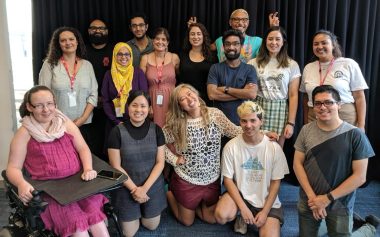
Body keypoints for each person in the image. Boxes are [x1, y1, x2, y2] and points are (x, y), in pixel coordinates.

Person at [6, 85, 109, 237]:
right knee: (79, 231)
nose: (46, 109)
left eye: (49, 104)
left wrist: (87, 169)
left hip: (77, 185)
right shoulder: (24, 133)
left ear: (55, 103)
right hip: (51, 192)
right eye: (39, 105)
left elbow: (83, 149)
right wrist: (21, 184)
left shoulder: (66, 123)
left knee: (98, 224)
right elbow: (13, 168)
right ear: (29, 107)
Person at [293, 85, 378, 236]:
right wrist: (313, 198)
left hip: (340, 203)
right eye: (318, 103)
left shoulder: (355, 135)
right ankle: (342, 222)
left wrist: (326, 199)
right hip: (309, 201)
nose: (322, 107)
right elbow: (297, 164)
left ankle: (369, 227)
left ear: (339, 105)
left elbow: (360, 177)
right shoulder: (306, 130)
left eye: (328, 102)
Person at [163, 84, 242, 226]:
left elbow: (235, 131)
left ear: (196, 93)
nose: (189, 99)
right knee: (187, 222)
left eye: (189, 93)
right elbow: (158, 141)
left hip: (211, 179)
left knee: (212, 219)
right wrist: (174, 159)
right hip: (187, 179)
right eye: (182, 98)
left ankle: (195, 205)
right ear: (180, 106)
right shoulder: (176, 124)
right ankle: (171, 194)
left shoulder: (215, 115)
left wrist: (262, 133)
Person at [214, 101, 289, 236]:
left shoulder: (274, 148)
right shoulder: (231, 146)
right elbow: (228, 180)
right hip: (241, 196)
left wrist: (265, 212)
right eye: (244, 121)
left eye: (253, 120)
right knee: (221, 215)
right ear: (240, 122)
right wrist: (243, 208)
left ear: (261, 121)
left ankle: (258, 216)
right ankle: (240, 215)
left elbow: (276, 183)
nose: (248, 125)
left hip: (266, 200)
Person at [107, 90, 166, 237]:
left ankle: (145, 209)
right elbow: (115, 166)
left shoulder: (157, 130)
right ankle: (134, 210)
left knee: (151, 225)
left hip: (151, 186)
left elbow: (160, 163)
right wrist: (135, 190)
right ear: (128, 107)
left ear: (149, 109)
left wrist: (144, 189)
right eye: (134, 105)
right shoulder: (116, 131)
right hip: (126, 187)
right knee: (129, 233)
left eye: (143, 106)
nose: (138, 110)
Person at [39, 27, 98, 145]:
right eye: (63, 40)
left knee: (84, 160)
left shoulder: (87, 65)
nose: (68, 43)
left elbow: (93, 94)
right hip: (57, 125)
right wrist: (59, 120)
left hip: (84, 125)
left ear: (77, 42)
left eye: (71, 39)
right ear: (58, 44)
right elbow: (43, 96)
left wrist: (82, 120)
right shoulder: (49, 64)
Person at [300, 30, 369, 131]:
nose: (319, 46)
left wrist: (361, 125)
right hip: (315, 116)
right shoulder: (308, 68)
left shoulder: (348, 64)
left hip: (344, 116)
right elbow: (305, 97)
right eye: (316, 44)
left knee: (344, 147)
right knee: (316, 146)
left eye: (324, 43)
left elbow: (359, 97)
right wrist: (306, 122)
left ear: (333, 45)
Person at [248, 26, 300, 147]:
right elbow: (249, 90)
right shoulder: (253, 63)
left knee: (276, 150)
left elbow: (293, 95)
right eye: (270, 39)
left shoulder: (292, 65)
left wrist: (291, 123)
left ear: (283, 42)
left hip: (280, 109)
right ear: (265, 41)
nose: (274, 42)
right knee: (256, 147)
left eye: (277, 39)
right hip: (258, 107)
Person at [101, 42, 148, 151]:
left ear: (131, 56)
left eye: (127, 54)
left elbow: (144, 98)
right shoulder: (108, 75)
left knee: (133, 153)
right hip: (114, 122)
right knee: (115, 154)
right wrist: (116, 121)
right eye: (120, 54)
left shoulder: (138, 73)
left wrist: (135, 120)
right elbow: (106, 100)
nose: (123, 57)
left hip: (136, 121)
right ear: (114, 55)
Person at [207, 29, 257, 125]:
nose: (231, 47)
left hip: (243, 123)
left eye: (235, 44)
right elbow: (212, 95)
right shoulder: (215, 68)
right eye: (227, 44)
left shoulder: (250, 69)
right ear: (223, 47)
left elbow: (251, 94)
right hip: (218, 123)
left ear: (241, 46)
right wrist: (242, 94)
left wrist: (226, 89)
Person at [188, 10, 279, 62]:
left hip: (247, 86)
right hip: (224, 82)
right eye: (236, 19)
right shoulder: (220, 40)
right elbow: (203, 47)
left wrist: (274, 29)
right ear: (230, 22)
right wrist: (195, 30)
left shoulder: (258, 41)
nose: (240, 23)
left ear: (248, 22)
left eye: (244, 20)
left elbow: (273, 49)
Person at [140, 27, 180, 128]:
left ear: (167, 43)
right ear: (153, 41)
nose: (160, 42)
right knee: (154, 130)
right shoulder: (145, 58)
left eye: (163, 39)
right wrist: (147, 105)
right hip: (152, 100)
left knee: (172, 130)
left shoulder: (174, 58)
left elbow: (180, 78)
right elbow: (141, 84)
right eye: (157, 39)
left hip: (171, 100)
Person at [86, 19, 114, 160]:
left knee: (109, 140)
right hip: (86, 105)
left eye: (101, 28)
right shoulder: (82, 51)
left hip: (110, 104)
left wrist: (106, 98)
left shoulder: (114, 51)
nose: (97, 31)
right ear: (89, 31)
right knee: (90, 142)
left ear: (107, 31)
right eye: (94, 28)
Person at [178, 22, 215, 106]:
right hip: (186, 100)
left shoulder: (212, 56)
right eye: (192, 34)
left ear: (203, 36)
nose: (195, 37)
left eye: (199, 34)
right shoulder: (182, 54)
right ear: (188, 37)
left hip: (206, 100)